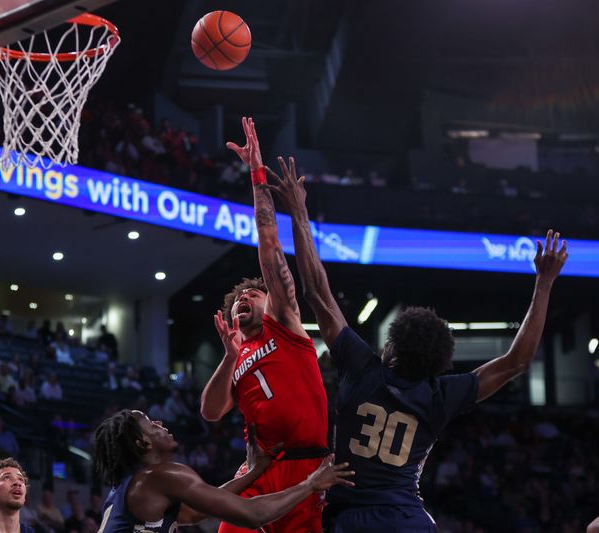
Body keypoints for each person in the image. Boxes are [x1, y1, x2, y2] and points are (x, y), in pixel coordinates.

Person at [267, 157, 570, 532]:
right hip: (409, 518)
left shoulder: (363, 367)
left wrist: (298, 210)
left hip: (351, 519)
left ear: (391, 348)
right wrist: (544, 283)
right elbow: (516, 361)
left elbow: (316, 290)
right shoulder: (440, 394)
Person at [199, 117, 330, 533]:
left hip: (307, 466)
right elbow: (211, 411)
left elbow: (270, 243)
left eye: (251, 295)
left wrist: (257, 177)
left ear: (270, 302)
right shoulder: (237, 355)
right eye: (237, 299)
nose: (242, 299)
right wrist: (228, 358)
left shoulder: (284, 323)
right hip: (258, 469)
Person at [93, 409, 354, 532]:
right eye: (150, 423)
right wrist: (311, 483)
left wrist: (255, 470)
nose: (159, 422)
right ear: (144, 442)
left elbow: (194, 513)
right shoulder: (160, 476)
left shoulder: (129, 489)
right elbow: (252, 514)